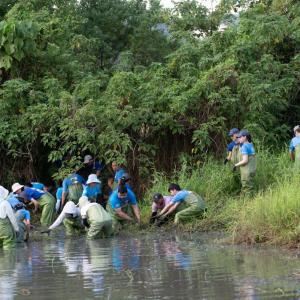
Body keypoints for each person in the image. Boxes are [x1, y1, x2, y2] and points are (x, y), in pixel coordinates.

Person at [233, 130, 256, 194]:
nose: (238, 138)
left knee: (247, 188)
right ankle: (252, 199)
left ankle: (248, 202)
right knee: (250, 186)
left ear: (245, 137)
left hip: (246, 171)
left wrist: (235, 165)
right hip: (252, 169)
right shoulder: (250, 144)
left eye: (240, 137)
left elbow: (245, 160)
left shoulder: (244, 146)